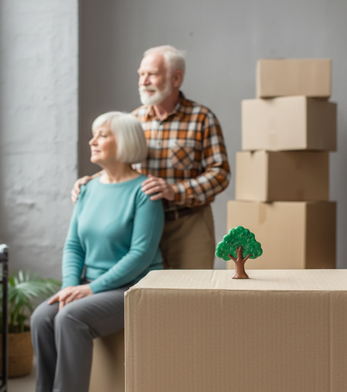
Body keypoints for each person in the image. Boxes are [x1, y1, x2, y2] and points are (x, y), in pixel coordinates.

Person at [29, 112, 164, 392]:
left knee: (70, 317)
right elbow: (74, 245)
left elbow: (141, 254)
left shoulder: (146, 192)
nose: (93, 141)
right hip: (90, 283)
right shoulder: (87, 188)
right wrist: (69, 285)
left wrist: (89, 289)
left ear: (125, 142)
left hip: (134, 285)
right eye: (94, 134)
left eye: (102, 135)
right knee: (41, 318)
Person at [72, 45, 230, 270]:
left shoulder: (202, 118)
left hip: (188, 224)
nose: (143, 81)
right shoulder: (134, 119)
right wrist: (91, 181)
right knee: (146, 297)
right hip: (139, 226)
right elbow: (121, 163)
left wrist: (175, 191)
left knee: (190, 296)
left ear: (176, 78)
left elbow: (221, 174)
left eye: (152, 74)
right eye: (141, 74)